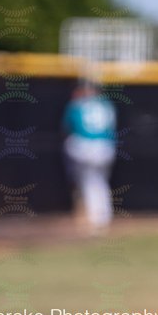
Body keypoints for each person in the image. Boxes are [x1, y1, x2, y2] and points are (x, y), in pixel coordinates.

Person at [62, 81, 118, 233]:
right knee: (100, 182)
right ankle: (103, 217)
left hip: (84, 148)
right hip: (106, 148)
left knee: (88, 182)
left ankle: (94, 219)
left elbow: (67, 127)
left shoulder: (77, 105)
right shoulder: (107, 104)